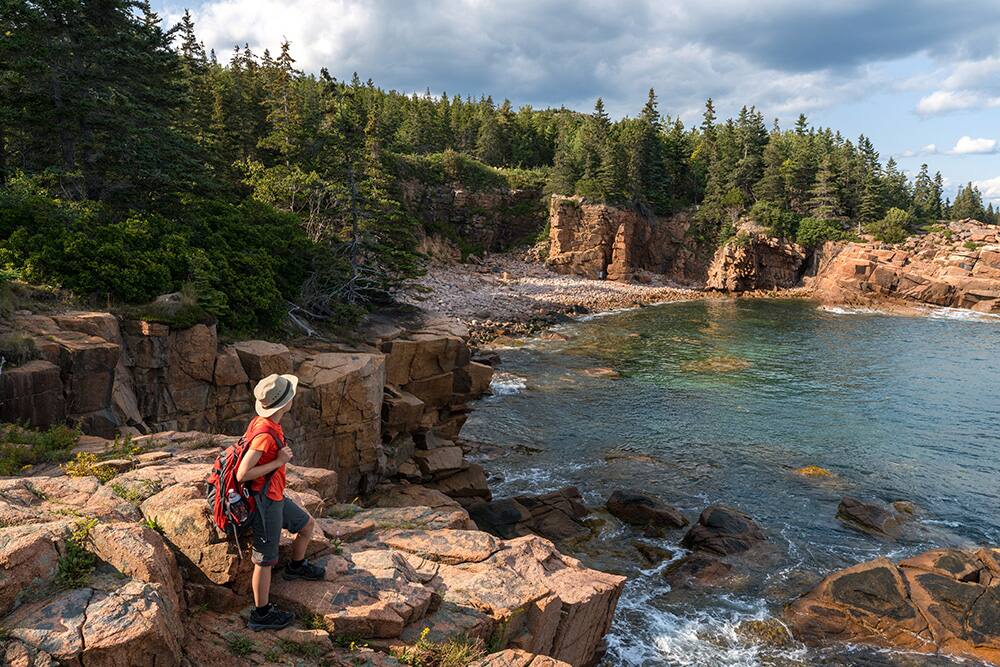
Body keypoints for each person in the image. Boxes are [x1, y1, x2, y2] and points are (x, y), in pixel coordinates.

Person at [236, 372, 325, 631]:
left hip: (275, 495)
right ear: (283, 403)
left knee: (306, 525)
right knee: (264, 560)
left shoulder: (268, 422)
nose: (293, 397)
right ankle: (261, 614)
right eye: (290, 395)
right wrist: (279, 462)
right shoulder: (264, 434)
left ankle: (296, 567)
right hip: (264, 502)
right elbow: (243, 474)